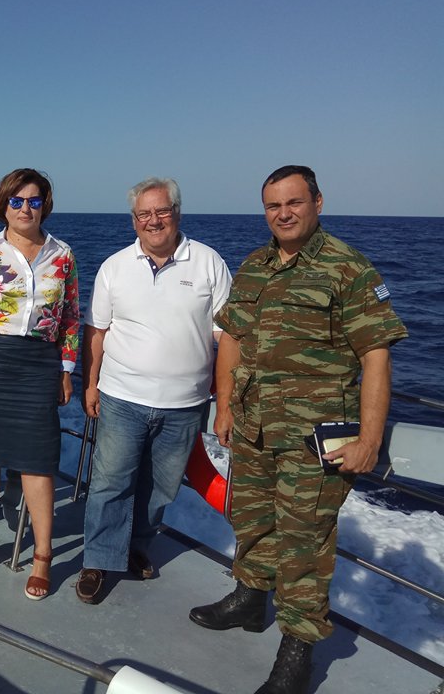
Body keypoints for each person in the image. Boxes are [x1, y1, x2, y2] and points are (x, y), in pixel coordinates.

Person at [189, 165, 408, 694]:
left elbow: (375, 356)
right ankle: (249, 599)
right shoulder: (255, 265)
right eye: (273, 205)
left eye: (294, 202)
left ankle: (297, 653)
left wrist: (369, 440)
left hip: (316, 439)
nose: (283, 213)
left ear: (317, 202)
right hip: (255, 427)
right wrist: (225, 407)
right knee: (252, 520)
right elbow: (232, 337)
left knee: (304, 543)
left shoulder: (347, 268)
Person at [75, 178, 231, 604]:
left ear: (177, 213)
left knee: (161, 487)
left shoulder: (209, 262)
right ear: (133, 221)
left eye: (161, 211)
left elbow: (228, 337)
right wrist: (90, 384)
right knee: (110, 481)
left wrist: (226, 401)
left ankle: (134, 547)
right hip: (122, 396)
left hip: (185, 404)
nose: (153, 220)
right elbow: (96, 332)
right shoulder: (115, 267)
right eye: (144, 214)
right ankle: (98, 561)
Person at [0, 168, 79, 601]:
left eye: (34, 201)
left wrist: (66, 369)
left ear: (45, 205)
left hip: (39, 365)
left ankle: (43, 554)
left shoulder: (63, 255)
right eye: (17, 201)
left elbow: (70, 318)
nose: (26, 208)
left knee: (38, 462)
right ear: (3, 205)